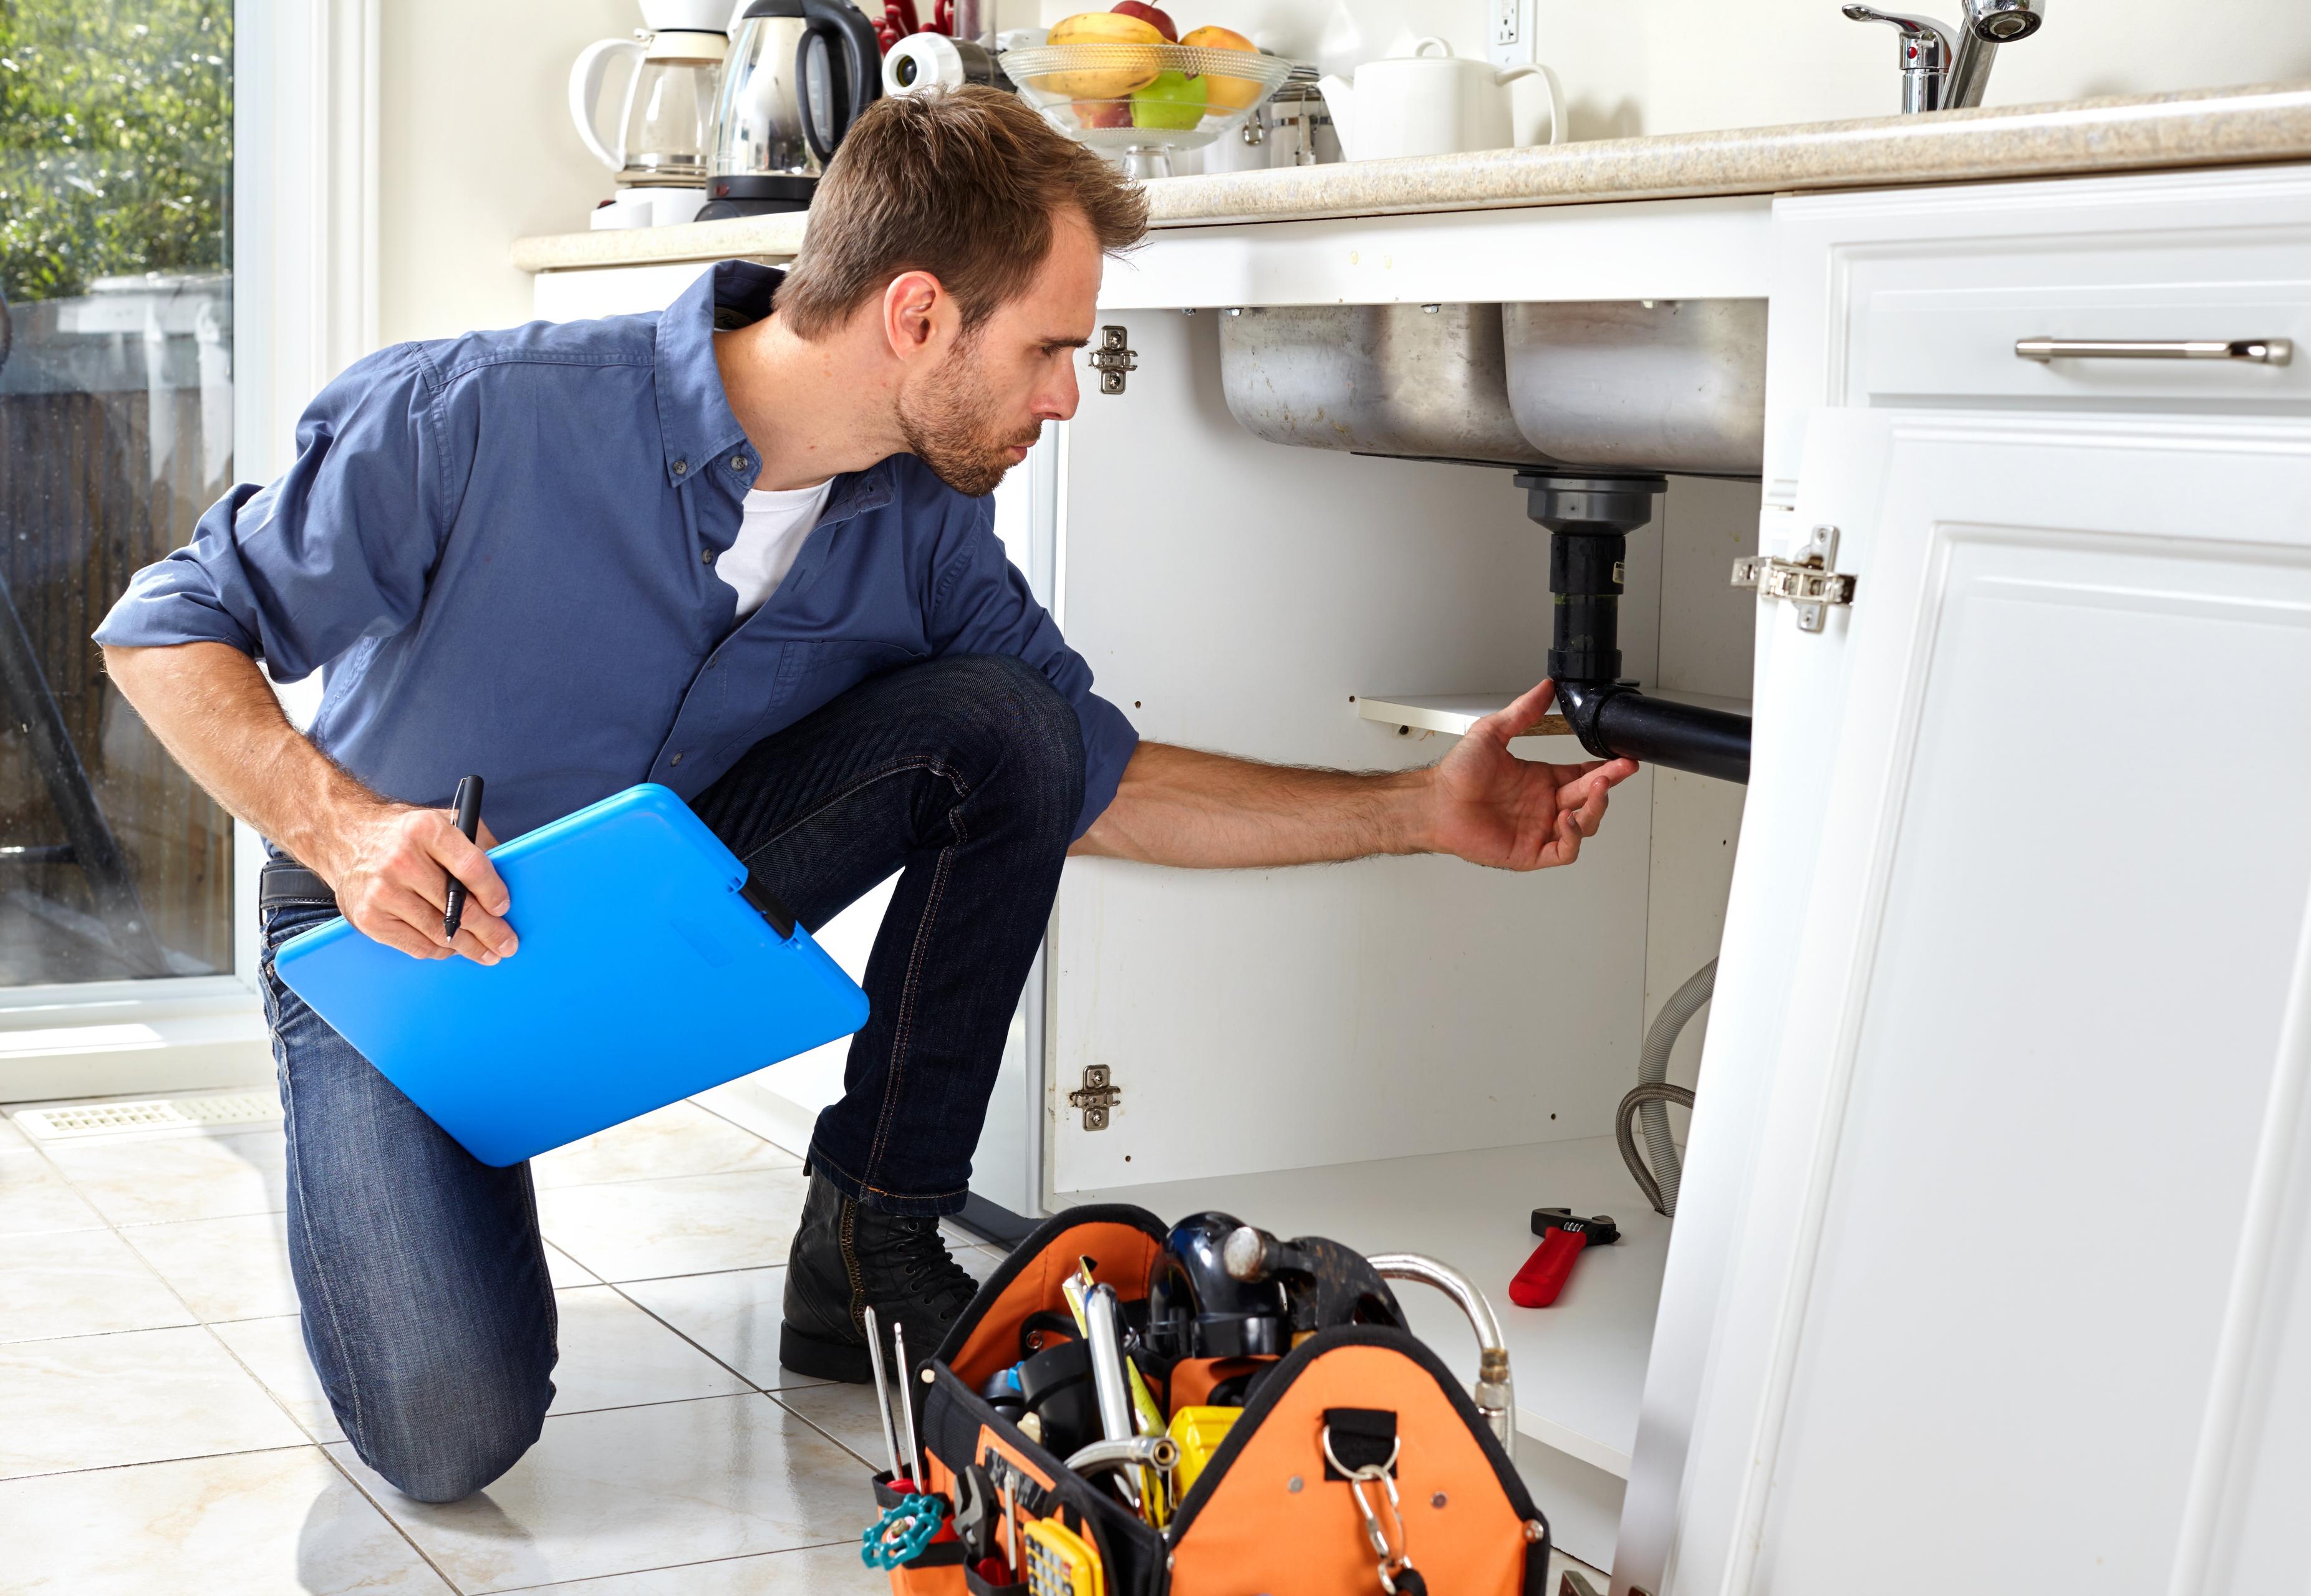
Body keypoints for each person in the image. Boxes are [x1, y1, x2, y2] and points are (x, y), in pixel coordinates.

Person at [94, 88, 1637, 1503]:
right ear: (917, 314)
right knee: (448, 1434)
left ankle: (869, 1238)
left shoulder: (924, 534)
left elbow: (1090, 780)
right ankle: (433, 1135)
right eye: (1048, 348)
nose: (1066, 397)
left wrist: (1416, 807)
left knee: (1009, 723)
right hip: (408, 932)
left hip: (654, 894)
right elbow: (162, 628)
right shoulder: (474, 413)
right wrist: (348, 831)